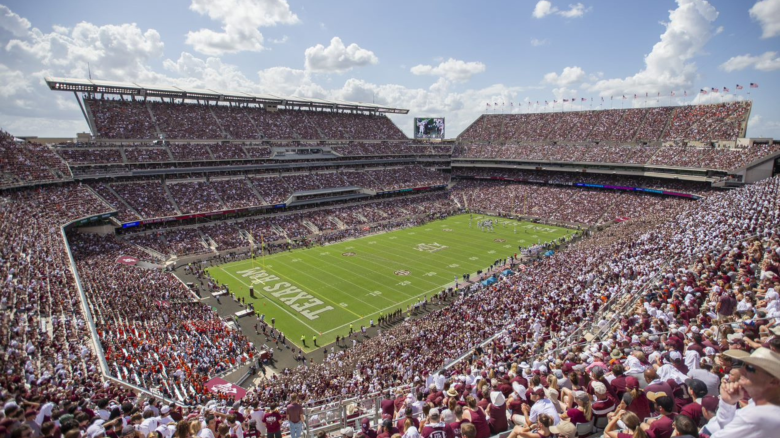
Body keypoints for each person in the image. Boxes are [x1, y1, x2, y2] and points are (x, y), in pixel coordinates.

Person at [711, 348, 780, 437]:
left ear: (774, 381)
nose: (741, 370)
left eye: (750, 368)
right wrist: (728, 403)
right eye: (744, 365)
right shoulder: (758, 407)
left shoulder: (757, 416)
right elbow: (728, 428)